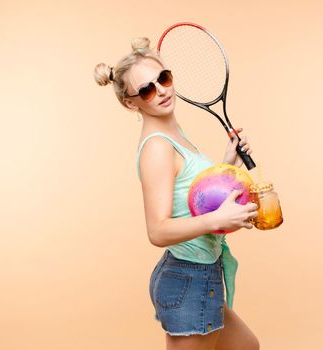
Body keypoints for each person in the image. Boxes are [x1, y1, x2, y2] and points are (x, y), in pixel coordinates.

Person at [95, 37, 260, 350]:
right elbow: (158, 230)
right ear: (132, 102)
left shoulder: (173, 133)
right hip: (190, 277)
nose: (161, 90)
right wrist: (218, 219)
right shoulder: (157, 146)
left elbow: (188, 197)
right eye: (146, 90)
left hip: (197, 273)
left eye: (164, 78)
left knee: (246, 346)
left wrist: (228, 164)